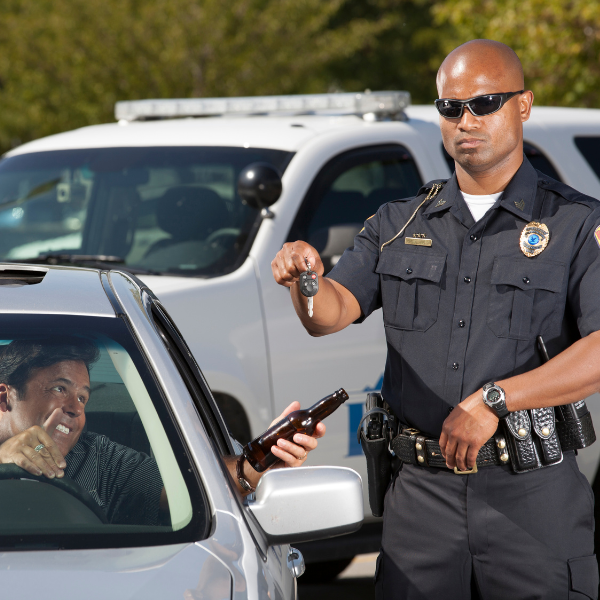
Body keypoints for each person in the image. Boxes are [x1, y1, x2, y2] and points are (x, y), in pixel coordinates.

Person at [271, 39, 600, 599]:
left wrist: (495, 400)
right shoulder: (397, 223)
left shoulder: (575, 224)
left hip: (532, 496)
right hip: (420, 501)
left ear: (523, 105)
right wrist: (304, 280)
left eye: (484, 103)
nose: (465, 120)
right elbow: (329, 313)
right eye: (450, 107)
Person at [0, 337, 323, 525]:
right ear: (6, 396)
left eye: (83, 396)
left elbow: (192, 485)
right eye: (59, 389)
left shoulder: (101, 458)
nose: (76, 407)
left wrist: (259, 461)